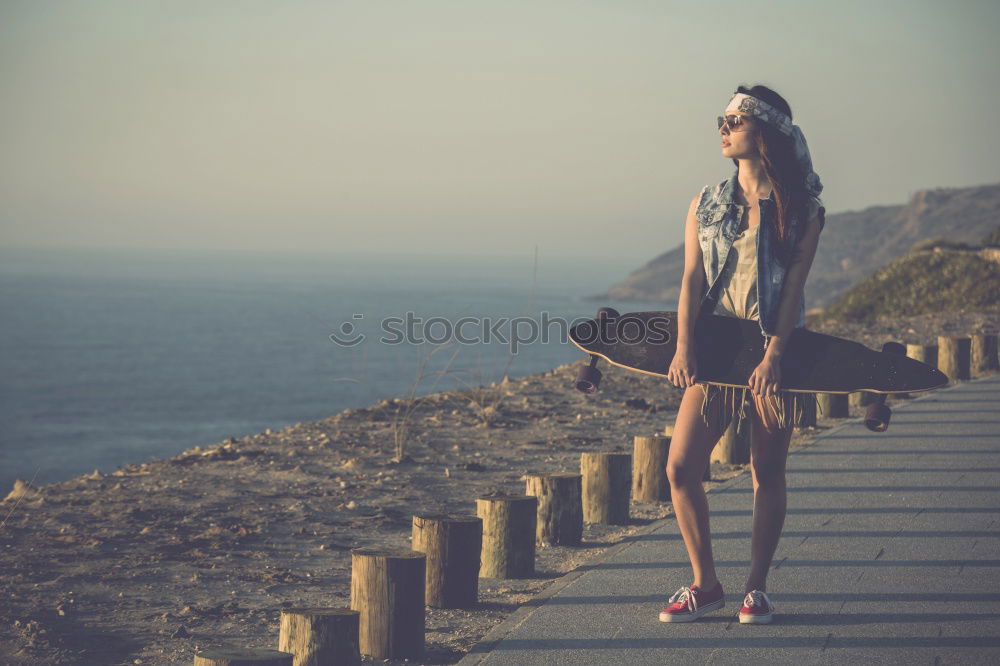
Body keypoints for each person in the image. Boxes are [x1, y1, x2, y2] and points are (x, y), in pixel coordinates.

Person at [658, 85, 826, 625]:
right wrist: (685, 346)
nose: (723, 128)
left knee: (766, 468)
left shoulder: (803, 210)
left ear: (767, 132)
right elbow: (689, 279)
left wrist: (775, 355)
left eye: (735, 119)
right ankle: (705, 584)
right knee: (681, 467)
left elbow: (794, 288)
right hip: (717, 348)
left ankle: (756, 588)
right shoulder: (704, 202)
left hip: (775, 352)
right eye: (722, 119)